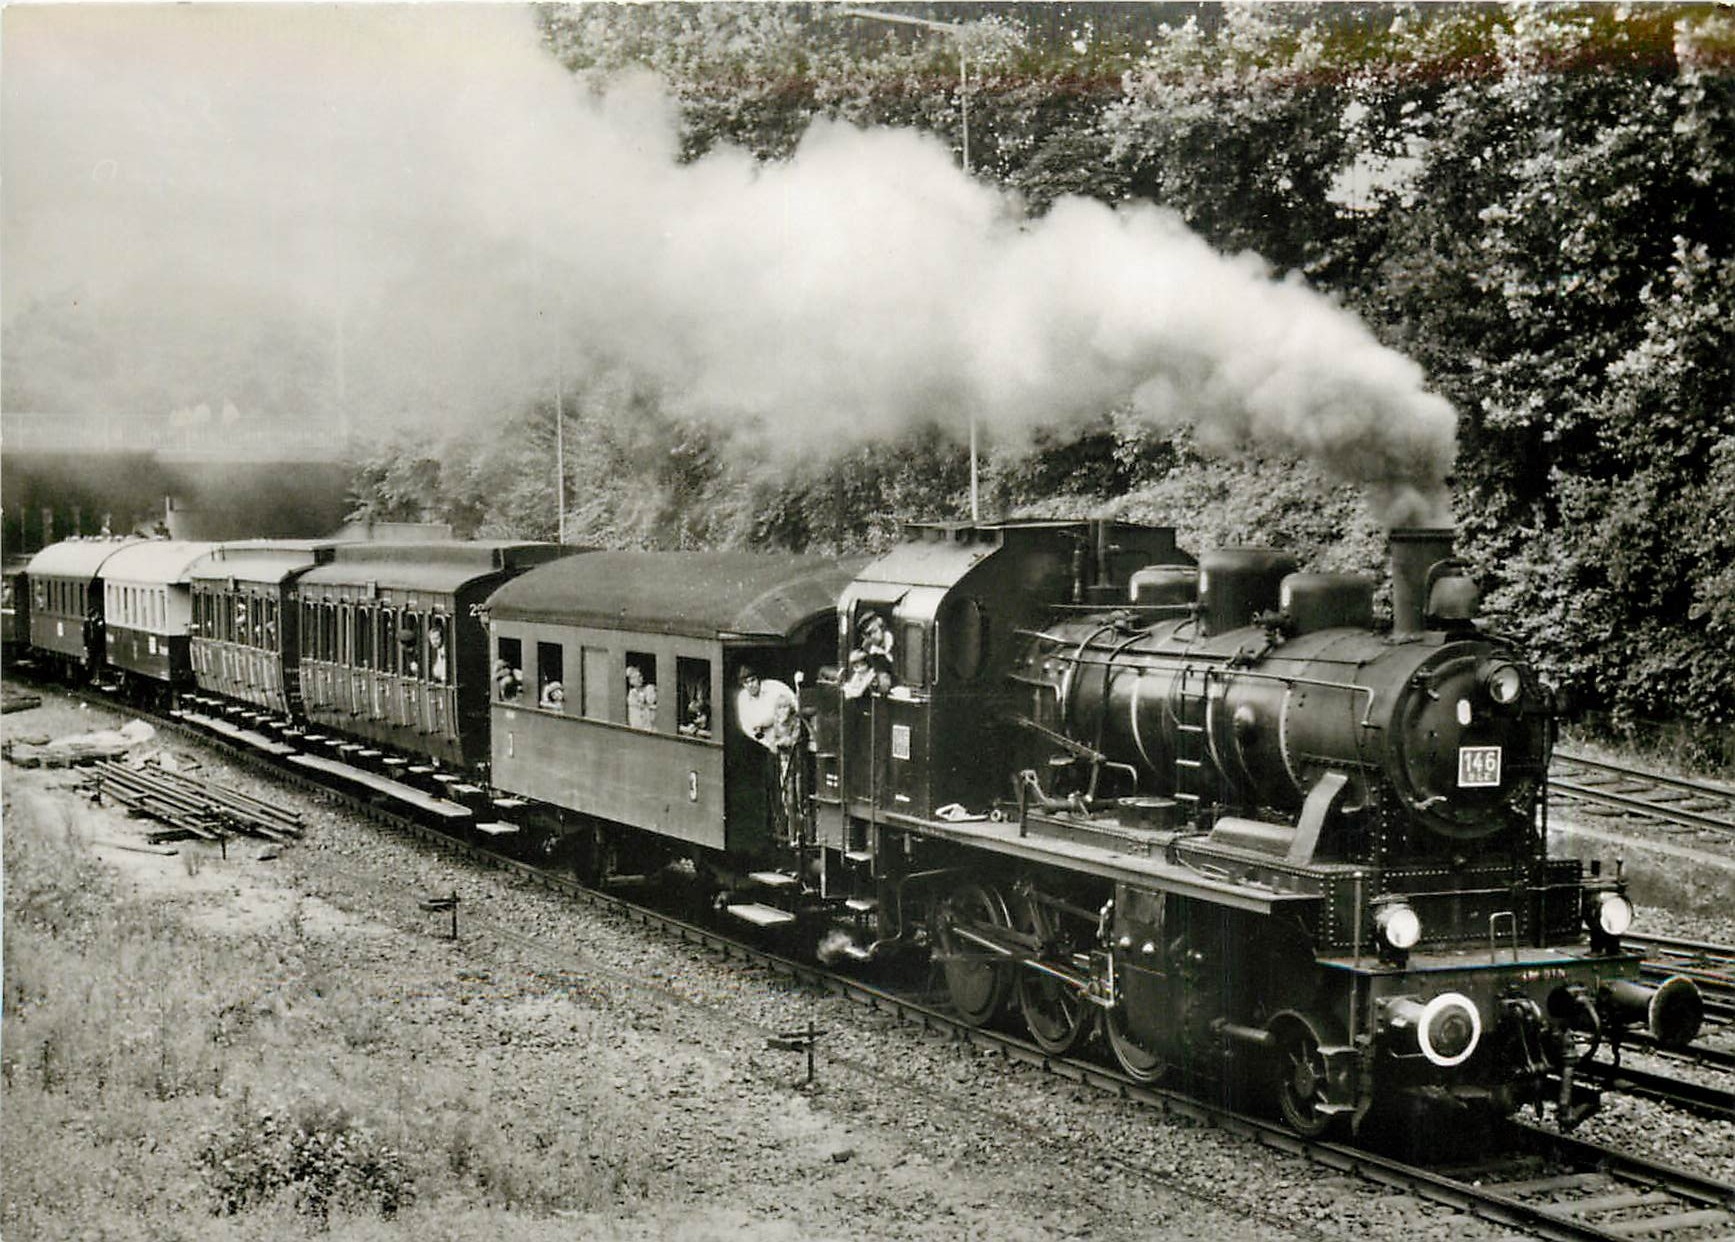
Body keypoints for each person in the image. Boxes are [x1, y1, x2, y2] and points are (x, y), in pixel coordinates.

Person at [735, 666, 797, 750]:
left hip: (786, 731)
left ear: (758, 679)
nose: (750, 685)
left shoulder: (773, 687)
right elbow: (746, 727)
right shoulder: (742, 697)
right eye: (746, 682)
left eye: (753, 680)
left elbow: (793, 700)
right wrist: (767, 744)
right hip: (764, 739)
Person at [626, 665, 657, 729]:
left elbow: (651, 702)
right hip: (637, 726)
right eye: (634, 677)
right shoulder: (631, 694)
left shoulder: (649, 688)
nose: (639, 679)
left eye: (640, 676)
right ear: (630, 681)